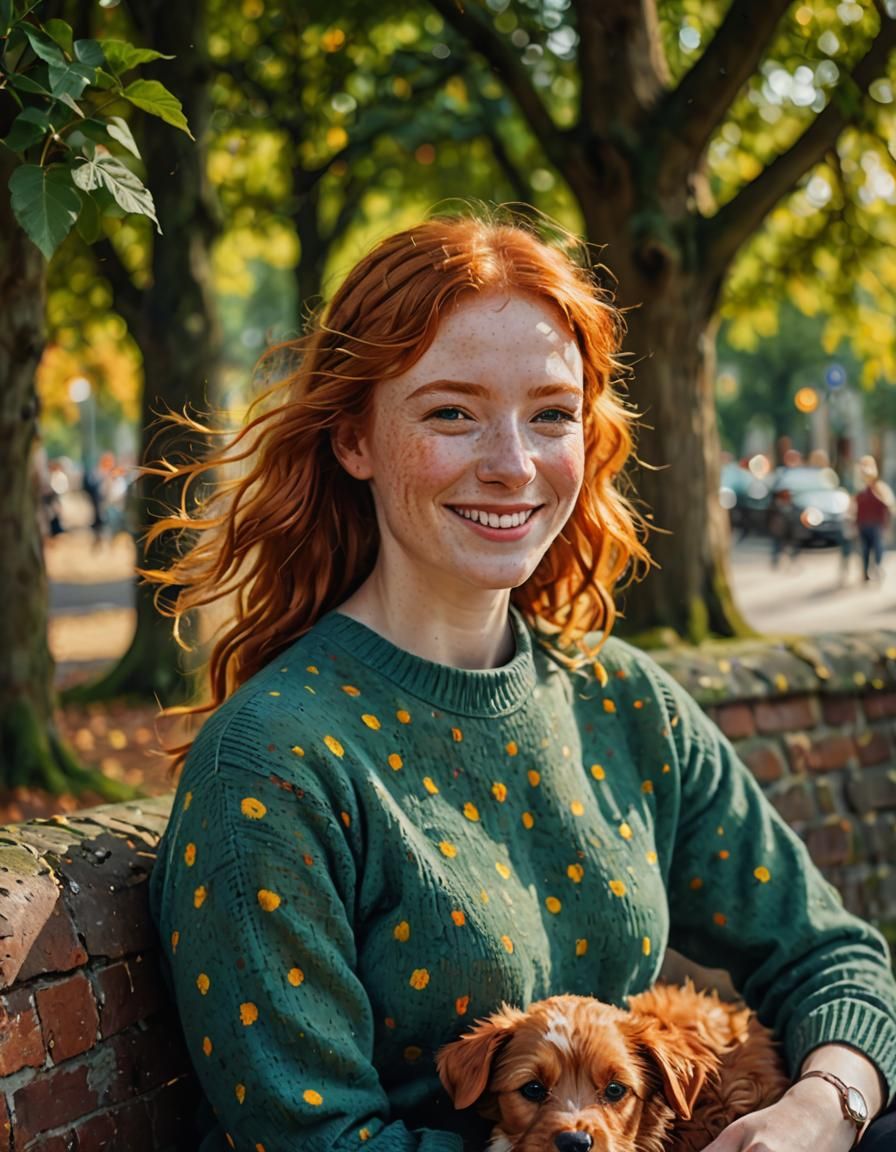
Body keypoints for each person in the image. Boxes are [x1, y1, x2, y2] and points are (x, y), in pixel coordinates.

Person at [146, 213, 896, 1152]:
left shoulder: (623, 700)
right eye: (452, 412)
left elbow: (830, 953)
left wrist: (825, 1107)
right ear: (353, 440)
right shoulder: (271, 764)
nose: (513, 465)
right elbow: (314, 1142)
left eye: (551, 414)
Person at [854, 456, 894, 582]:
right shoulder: (859, 489)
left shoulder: (880, 487)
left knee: (878, 547)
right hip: (863, 523)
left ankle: (877, 567)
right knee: (865, 549)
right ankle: (865, 572)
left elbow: (888, 504)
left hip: (876, 523)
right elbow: (853, 506)